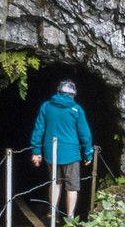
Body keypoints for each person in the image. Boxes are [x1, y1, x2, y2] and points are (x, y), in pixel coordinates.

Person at [30, 79, 94, 219]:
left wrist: (36, 151)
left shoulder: (46, 106)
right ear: (73, 95)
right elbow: (85, 133)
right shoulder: (76, 109)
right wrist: (88, 153)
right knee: (72, 186)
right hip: (71, 153)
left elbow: (39, 128)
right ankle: (70, 217)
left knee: (55, 182)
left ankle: (53, 211)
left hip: (50, 151)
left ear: (58, 92)